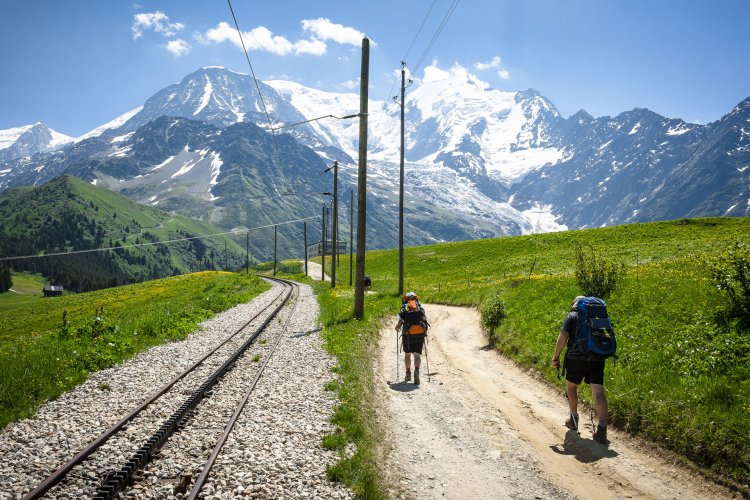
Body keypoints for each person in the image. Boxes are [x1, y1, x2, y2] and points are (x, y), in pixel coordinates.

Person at [552, 295, 609, 444]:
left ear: (576, 304)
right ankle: (602, 429)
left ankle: (573, 419)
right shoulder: (598, 316)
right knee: (598, 393)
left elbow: (563, 336)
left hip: (576, 357)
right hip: (597, 357)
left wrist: (556, 357)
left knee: (571, 387)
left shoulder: (572, 315)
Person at [394, 292, 428, 385]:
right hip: (420, 334)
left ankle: (408, 373)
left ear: (406, 299)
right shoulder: (420, 309)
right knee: (417, 355)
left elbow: (401, 321)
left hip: (407, 335)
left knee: (408, 354)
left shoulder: (404, 308)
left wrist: (397, 327)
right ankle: (416, 372)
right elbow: (424, 320)